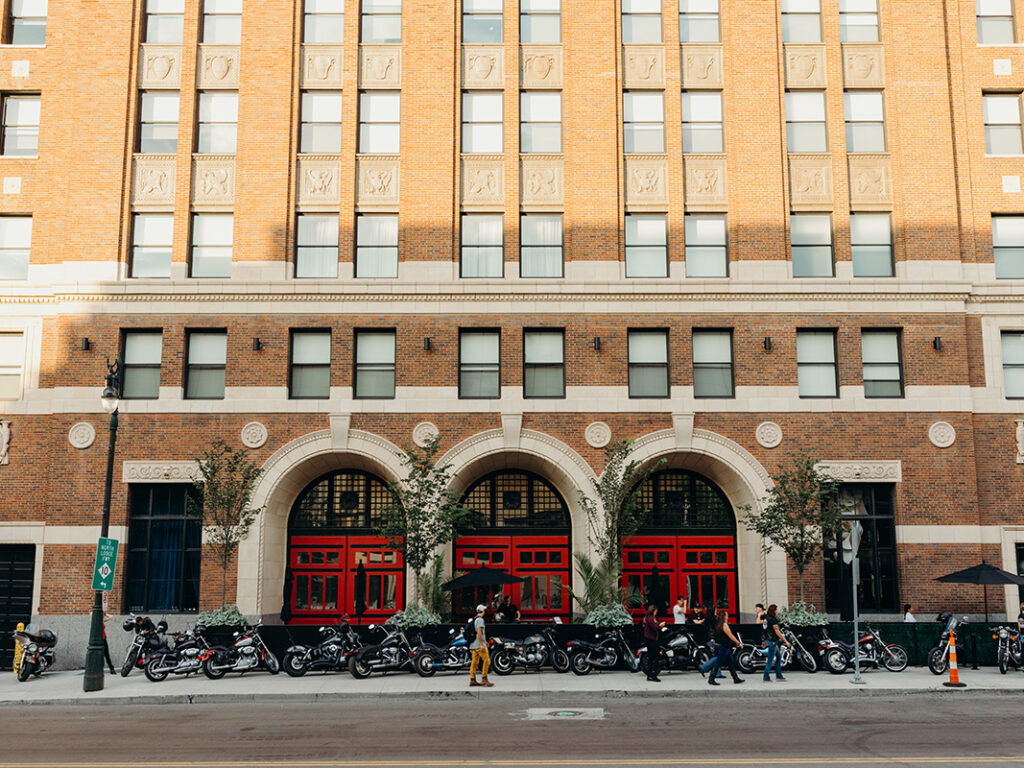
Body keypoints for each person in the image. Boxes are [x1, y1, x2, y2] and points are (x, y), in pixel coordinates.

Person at [707, 609, 744, 686]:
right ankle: (711, 678)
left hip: (724, 646)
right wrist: (738, 642)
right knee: (718, 663)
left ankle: (735, 678)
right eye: (727, 615)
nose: (728, 616)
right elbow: (730, 635)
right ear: (724, 616)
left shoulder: (718, 624)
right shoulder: (724, 625)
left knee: (730, 663)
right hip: (723, 647)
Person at [761, 604, 790, 682]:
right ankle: (766, 677)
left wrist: (763, 641)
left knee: (779, 657)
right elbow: (777, 632)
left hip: (768, 640)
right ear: (774, 610)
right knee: (770, 660)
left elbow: (763, 631)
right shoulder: (772, 620)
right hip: (772, 642)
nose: (777, 611)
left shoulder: (766, 619)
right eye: (776, 610)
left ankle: (779, 676)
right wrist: (786, 641)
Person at [468, 604, 493, 687]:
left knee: (474, 662)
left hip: (473, 645)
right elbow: (479, 633)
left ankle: (472, 679)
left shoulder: (474, 619)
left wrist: (485, 641)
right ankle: (484, 678)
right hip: (479, 645)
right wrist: (482, 644)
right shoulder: (480, 620)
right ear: (483, 611)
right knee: (487, 661)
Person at [642, 603, 666, 682]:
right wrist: (661, 625)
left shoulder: (650, 618)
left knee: (651, 656)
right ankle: (653, 674)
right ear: (652, 611)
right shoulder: (650, 619)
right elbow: (655, 628)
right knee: (656, 656)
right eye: (655, 611)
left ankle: (650, 675)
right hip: (651, 640)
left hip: (650, 639)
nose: (656, 613)